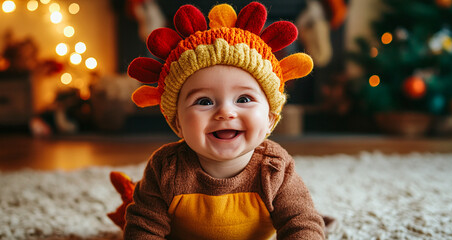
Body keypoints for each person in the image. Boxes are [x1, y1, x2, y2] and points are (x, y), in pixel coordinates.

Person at [123, 2, 325, 239]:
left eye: (244, 98)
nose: (225, 112)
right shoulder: (165, 168)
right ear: (176, 122)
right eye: (204, 102)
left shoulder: (275, 168)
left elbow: (302, 222)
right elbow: (144, 228)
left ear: (271, 119)